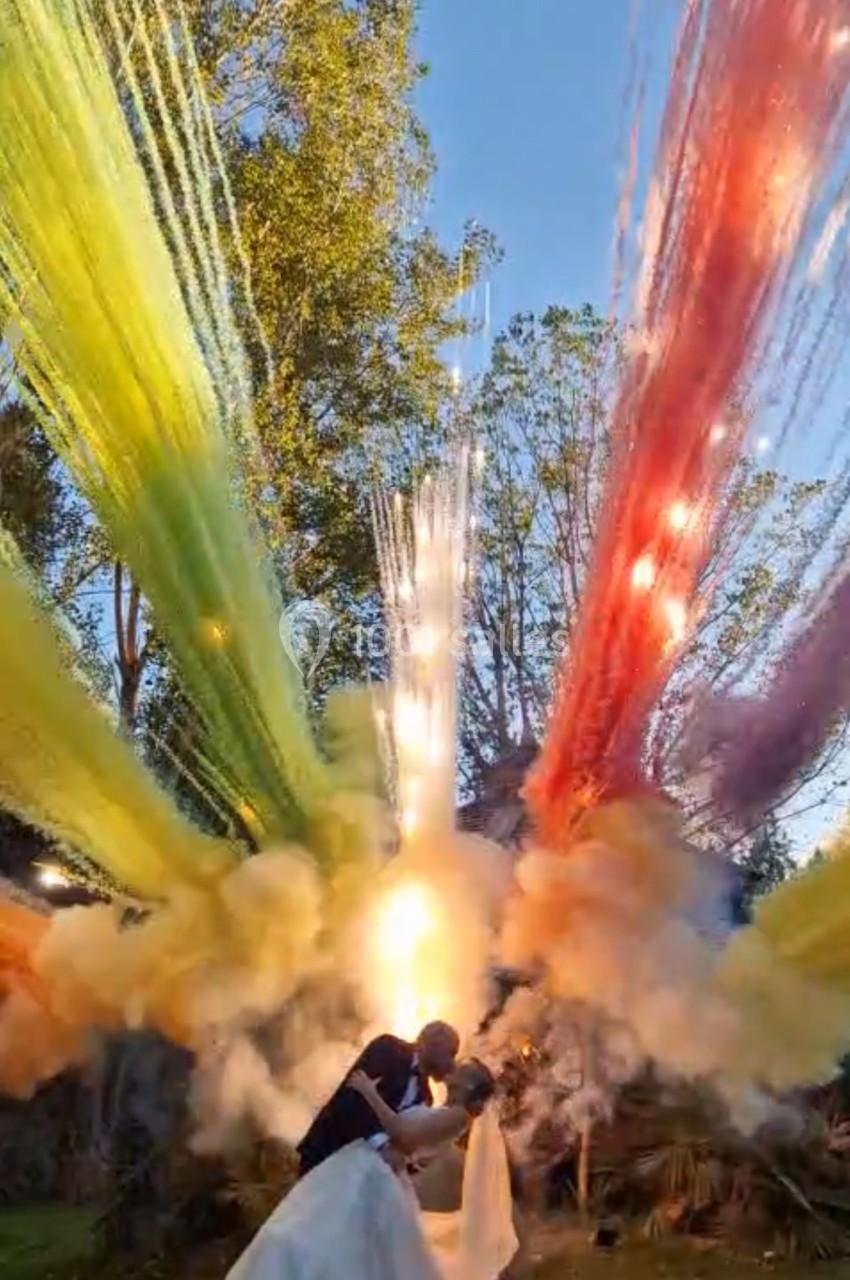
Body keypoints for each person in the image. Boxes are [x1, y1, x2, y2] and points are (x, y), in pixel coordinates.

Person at [225, 1057, 517, 1280]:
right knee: (314, 1239)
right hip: (369, 1170)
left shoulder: (459, 1117)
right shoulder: (443, 1110)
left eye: (462, 1072)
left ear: (469, 1086)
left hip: (374, 1178)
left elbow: (404, 1135)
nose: (453, 1070)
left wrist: (369, 1093)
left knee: (320, 1244)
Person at [296, 1021, 459, 1177]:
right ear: (433, 1043)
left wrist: (409, 1162)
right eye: (451, 1052)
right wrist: (381, 1145)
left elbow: (405, 1143)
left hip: (363, 1172)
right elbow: (354, 1096)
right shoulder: (389, 1048)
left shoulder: (426, 1097)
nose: (451, 1062)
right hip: (331, 1147)